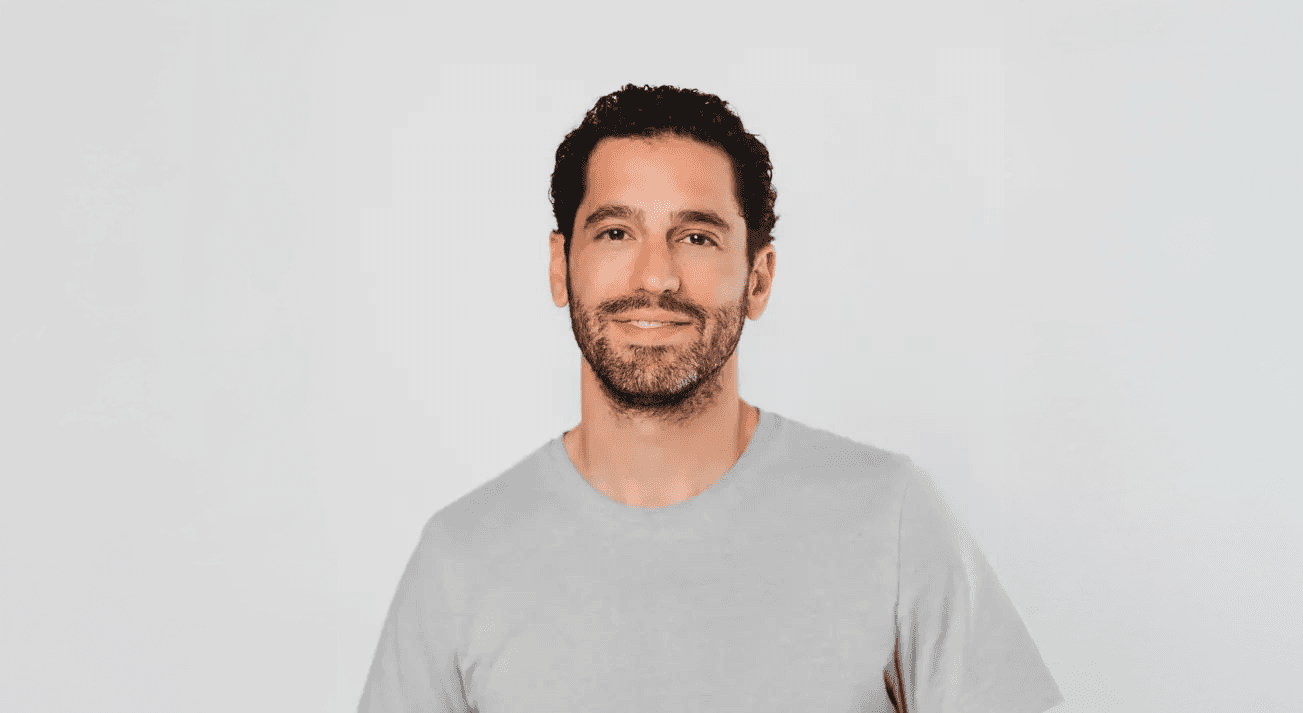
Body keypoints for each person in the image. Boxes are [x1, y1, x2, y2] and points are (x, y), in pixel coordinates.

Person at [359, 84, 1063, 713]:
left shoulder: (891, 519)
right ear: (558, 266)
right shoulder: (461, 558)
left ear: (757, 279)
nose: (656, 276)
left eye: (695, 236)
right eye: (614, 232)